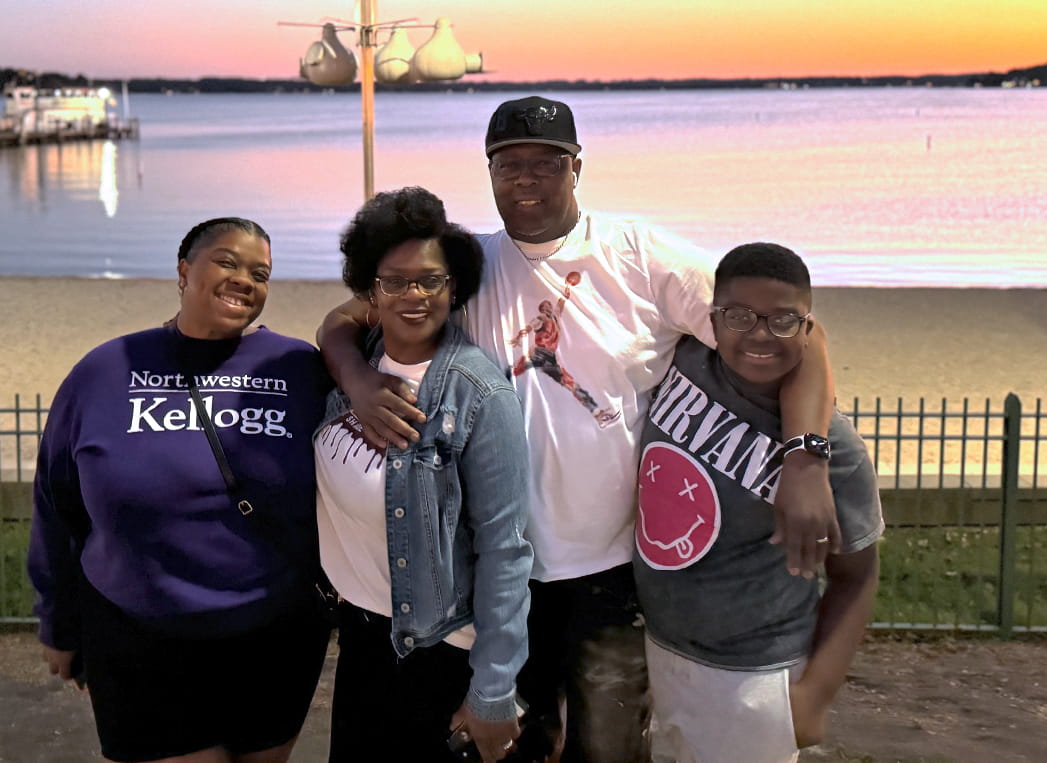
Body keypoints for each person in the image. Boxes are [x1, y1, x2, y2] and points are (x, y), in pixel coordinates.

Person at [318, 97, 840, 763]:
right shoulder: (468, 266)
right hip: (493, 573)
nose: (526, 178)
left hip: (611, 568)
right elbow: (346, 317)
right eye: (509, 164)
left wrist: (805, 459)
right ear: (489, 172)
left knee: (608, 747)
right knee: (508, 744)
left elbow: (797, 334)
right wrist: (358, 382)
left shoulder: (641, 256)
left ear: (577, 168)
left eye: (547, 162)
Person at [28, 218, 332, 763]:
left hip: (275, 633)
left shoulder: (299, 368)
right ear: (184, 270)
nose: (244, 280)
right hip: (139, 633)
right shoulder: (103, 371)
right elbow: (56, 503)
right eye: (227, 262)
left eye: (260, 273)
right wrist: (57, 620)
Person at [634, 242, 883, 763]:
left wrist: (814, 697)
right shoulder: (685, 358)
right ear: (713, 319)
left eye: (783, 321)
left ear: (806, 327)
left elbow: (856, 577)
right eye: (740, 317)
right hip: (654, 647)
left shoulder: (839, 455)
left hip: (751, 674)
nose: (761, 335)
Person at [315, 187, 534, 763]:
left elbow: (505, 549)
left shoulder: (478, 393)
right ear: (371, 290)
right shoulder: (358, 359)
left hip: (438, 651)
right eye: (395, 281)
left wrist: (493, 691)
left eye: (430, 280)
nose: (414, 295)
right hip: (363, 639)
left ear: (453, 287)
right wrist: (354, 375)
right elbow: (332, 328)